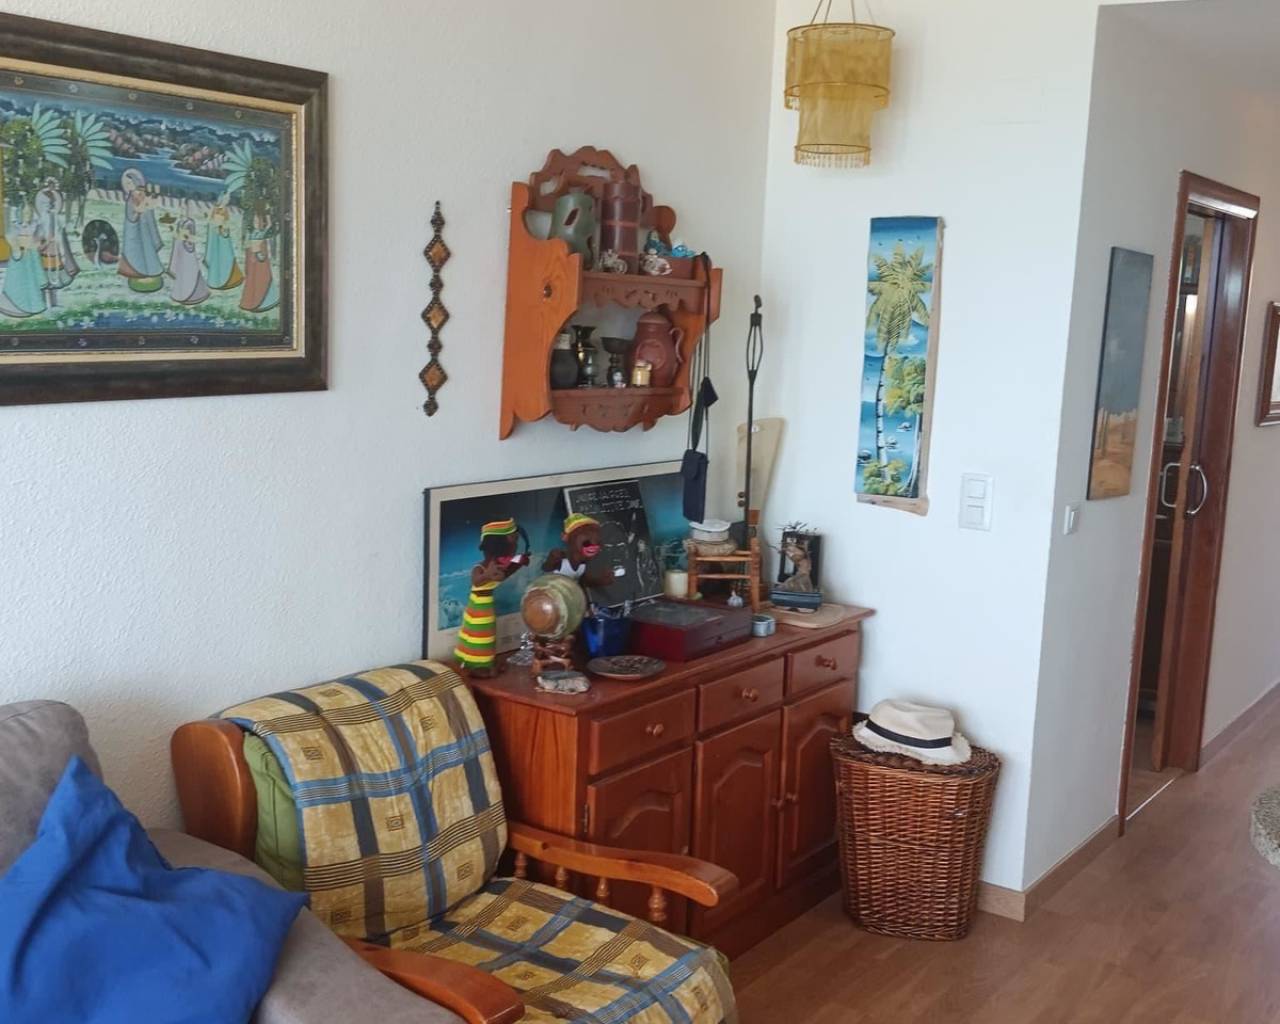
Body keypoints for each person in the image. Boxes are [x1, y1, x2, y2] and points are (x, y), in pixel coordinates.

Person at [454, 519, 527, 677]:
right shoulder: (479, 568)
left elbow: (505, 574)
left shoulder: (498, 567)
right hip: (478, 607)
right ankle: (478, 666)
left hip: (486, 606)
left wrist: (519, 563)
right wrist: (487, 575)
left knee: (487, 635)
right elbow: (476, 580)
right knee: (480, 637)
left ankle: (486, 662)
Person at [35, 178, 79, 306]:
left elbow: (61, 237)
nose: (50, 206)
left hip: (55, 253)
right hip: (44, 254)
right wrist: (44, 243)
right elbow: (37, 240)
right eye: (47, 204)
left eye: (52, 204)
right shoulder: (41, 222)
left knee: (55, 279)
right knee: (43, 280)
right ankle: (42, 304)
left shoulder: (56, 220)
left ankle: (54, 303)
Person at [118, 169, 164, 291]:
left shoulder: (141, 195)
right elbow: (131, 215)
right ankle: (138, 274)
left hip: (144, 228)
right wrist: (139, 210)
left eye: (130, 182)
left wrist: (151, 201)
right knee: (137, 253)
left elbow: (149, 207)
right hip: (134, 231)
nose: (129, 186)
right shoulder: (130, 198)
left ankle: (151, 273)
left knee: (148, 250)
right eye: (126, 183)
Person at [0, 221, 48, 318]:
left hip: (26, 287)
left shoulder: (31, 252)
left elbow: (37, 270)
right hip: (17, 291)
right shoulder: (19, 252)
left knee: (29, 294)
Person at [239, 209, 278, 313]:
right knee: (253, 280)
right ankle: (252, 302)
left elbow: (269, 226)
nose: (256, 223)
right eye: (255, 221)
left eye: (258, 221)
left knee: (262, 279)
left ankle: (265, 301)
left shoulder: (262, 232)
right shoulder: (251, 233)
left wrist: (268, 217)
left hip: (259, 258)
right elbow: (248, 246)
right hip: (253, 259)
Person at [166, 216, 211, 306]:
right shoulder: (180, 224)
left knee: (191, 275)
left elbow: (191, 239)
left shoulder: (190, 224)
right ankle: (182, 294)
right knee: (183, 276)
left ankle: (195, 295)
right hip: (183, 257)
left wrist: (185, 237)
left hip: (190, 258)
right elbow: (178, 237)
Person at [203, 194, 243, 290]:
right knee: (217, 258)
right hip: (217, 237)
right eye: (225, 200)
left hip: (223, 237)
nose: (226, 202)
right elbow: (212, 222)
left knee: (226, 258)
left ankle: (226, 279)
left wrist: (224, 227)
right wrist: (218, 226)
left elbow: (226, 222)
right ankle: (217, 281)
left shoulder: (224, 210)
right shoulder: (215, 210)